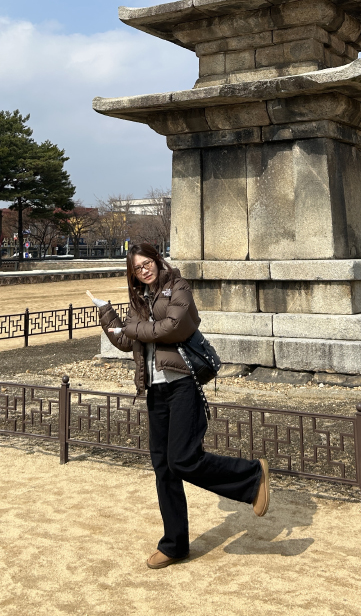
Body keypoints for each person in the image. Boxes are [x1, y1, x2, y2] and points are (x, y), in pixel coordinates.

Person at [87, 243, 269, 569]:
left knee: (183, 459)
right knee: (164, 469)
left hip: (183, 382)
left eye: (147, 263)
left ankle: (252, 475)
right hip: (155, 389)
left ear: (157, 260)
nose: (144, 270)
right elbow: (127, 340)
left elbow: (172, 328)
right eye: (137, 268)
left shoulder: (178, 286)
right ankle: (174, 544)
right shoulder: (138, 300)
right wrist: (107, 313)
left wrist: (133, 328)